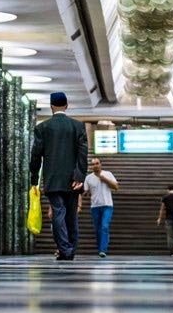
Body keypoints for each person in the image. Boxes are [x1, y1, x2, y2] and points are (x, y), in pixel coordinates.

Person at [28, 91, 88, 261]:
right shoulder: (78, 126)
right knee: (71, 215)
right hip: (73, 180)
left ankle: (65, 249)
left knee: (58, 214)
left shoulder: (42, 128)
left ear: (51, 106)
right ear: (67, 105)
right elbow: (82, 153)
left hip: (53, 180)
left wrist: (34, 178)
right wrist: (80, 177)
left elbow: (36, 154)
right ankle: (70, 249)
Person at [83, 156, 119, 257]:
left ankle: (103, 250)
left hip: (107, 205)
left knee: (104, 226)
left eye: (97, 163)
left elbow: (116, 187)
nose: (95, 165)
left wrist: (104, 179)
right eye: (93, 164)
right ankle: (100, 248)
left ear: (100, 164)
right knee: (98, 229)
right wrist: (84, 193)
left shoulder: (108, 174)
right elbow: (86, 191)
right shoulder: (88, 178)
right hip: (95, 206)